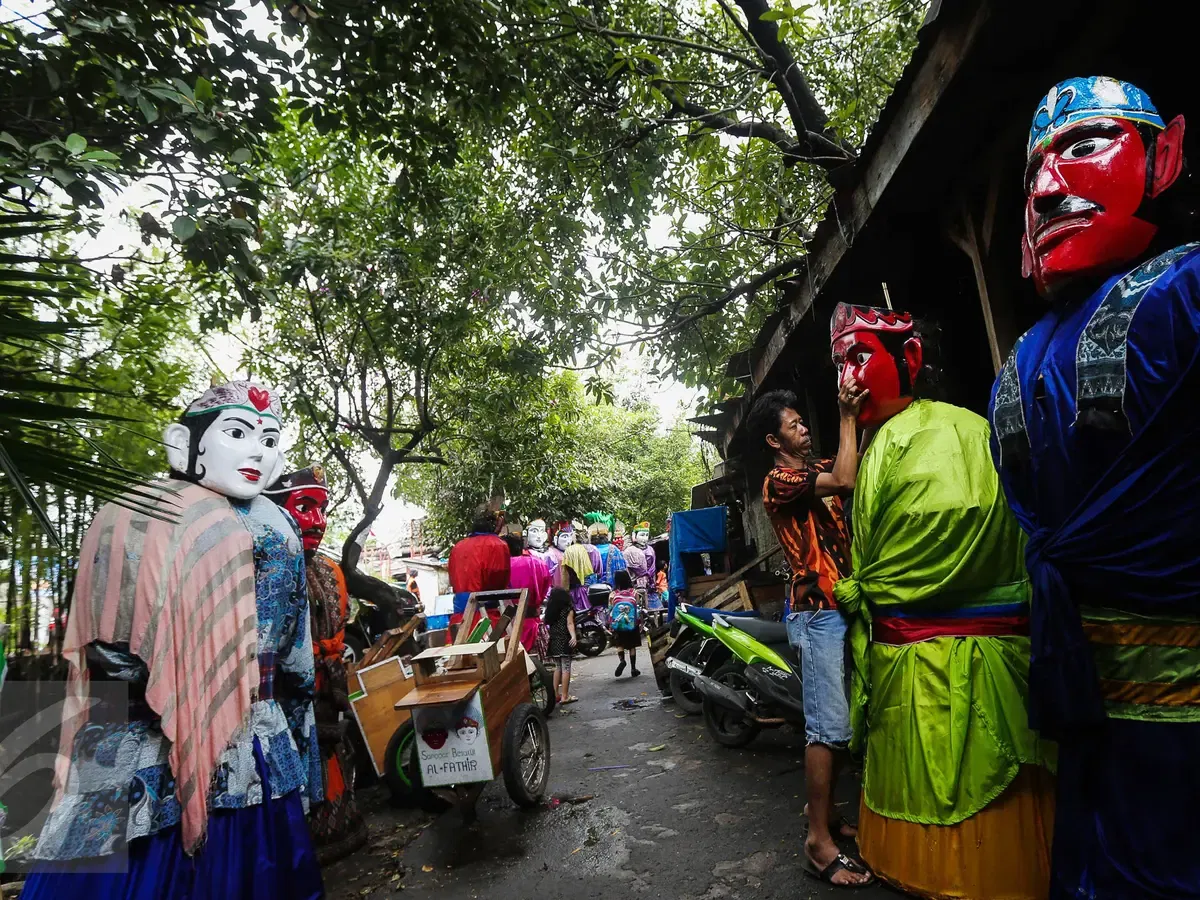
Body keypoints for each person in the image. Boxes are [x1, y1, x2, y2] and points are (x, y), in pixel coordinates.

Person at [991, 76, 1200, 899]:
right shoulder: (1181, 290)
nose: (1046, 188)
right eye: (1033, 173)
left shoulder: (1177, 293)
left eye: (1084, 146)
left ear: (1165, 155)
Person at [24, 380, 323, 900]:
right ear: (182, 443)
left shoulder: (124, 513)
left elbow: (106, 651)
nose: (257, 451)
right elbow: (296, 663)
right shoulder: (278, 528)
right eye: (238, 433)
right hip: (247, 745)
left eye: (270, 440)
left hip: (126, 750)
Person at [829, 304, 1055, 898]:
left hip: (928, 652)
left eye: (858, 358)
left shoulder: (935, 436)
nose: (846, 380)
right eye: (838, 367)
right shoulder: (961, 429)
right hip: (964, 653)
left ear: (909, 357)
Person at [745, 380, 871, 890]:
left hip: (841, 606)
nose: (803, 428)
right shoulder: (779, 481)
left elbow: (850, 465)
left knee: (842, 725)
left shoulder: (812, 468)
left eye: (801, 421)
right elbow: (846, 478)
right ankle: (818, 843)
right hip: (816, 614)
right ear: (774, 441)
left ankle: (826, 814)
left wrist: (863, 420)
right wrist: (846, 416)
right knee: (827, 728)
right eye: (793, 424)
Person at [265, 465, 368, 865]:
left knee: (334, 750)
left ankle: (340, 827)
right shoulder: (266, 566)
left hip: (327, 681)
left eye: (322, 509)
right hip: (285, 693)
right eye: (305, 507)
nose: (319, 521)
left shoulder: (329, 569)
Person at [447, 503, 510, 635]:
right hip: (488, 616)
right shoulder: (498, 545)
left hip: (460, 616)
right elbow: (500, 578)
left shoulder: (458, 546)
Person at [503, 532, 551, 652]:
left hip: (511, 625)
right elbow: (546, 586)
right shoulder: (538, 563)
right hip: (534, 622)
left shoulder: (503, 567)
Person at [544, 587, 578, 704]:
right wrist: (573, 637)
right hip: (564, 641)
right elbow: (570, 623)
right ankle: (565, 696)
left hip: (554, 641)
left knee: (558, 667)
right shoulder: (567, 609)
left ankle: (555, 695)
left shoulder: (550, 611)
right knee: (566, 668)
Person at [609, 570, 642, 677]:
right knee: (632, 645)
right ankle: (633, 668)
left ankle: (622, 661)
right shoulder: (634, 592)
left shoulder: (613, 594)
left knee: (620, 644)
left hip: (619, 624)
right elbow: (637, 608)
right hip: (631, 623)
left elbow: (610, 609)